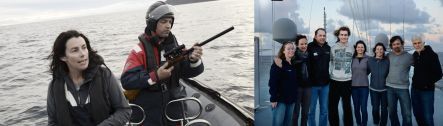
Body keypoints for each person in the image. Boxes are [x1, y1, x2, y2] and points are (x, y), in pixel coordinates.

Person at [120, 1, 204, 125]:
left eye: (170, 21)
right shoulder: (139, 51)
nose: (168, 26)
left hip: (174, 111)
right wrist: (156, 76)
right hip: (149, 114)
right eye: (163, 21)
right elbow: (127, 80)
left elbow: (190, 72)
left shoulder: (176, 45)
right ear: (152, 24)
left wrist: (194, 60)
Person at [46, 30, 131, 125]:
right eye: (75, 50)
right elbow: (52, 123)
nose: (82, 54)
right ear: (63, 57)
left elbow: (124, 111)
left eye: (84, 47)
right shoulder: (54, 87)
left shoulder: (105, 76)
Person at [411, 35, 442, 126]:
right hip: (415, 90)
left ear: (423, 43)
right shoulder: (415, 55)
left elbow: (439, 74)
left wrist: (426, 84)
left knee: (428, 116)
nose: (417, 45)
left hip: (427, 91)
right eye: (415, 43)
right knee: (417, 113)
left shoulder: (432, 55)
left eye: (419, 43)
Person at [328, 26, 353, 126]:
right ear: (338, 35)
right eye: (342, 35)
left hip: (347, 81)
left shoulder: (352, 48)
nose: (344, 36)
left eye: (346, 35)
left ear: (348, 36)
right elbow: (327, 61)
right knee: (333, 106)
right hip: (334, 81)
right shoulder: (333, 48)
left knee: (347, 106)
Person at [386, 36, 413, 126]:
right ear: (391, 46)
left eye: (398, 44)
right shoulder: (388, 55)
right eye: (394, 44)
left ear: (402, 44)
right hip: (389, 88)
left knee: (407, 114)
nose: (396, 46)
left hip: (403, 89)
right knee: (392, 113)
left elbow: (421, 67)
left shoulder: (409, 57)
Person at [269, 41, 298, 126]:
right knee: (278, 123)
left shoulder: (293, 65)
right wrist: (273, 98)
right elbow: (272, 82)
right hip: (280, 100)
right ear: (283, 51)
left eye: (292, 49)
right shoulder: (278, 64)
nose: (291, 50)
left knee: (287, 123)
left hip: (291, 99)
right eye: (288, 49)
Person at [307, 28, 330, 126]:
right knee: (311, 110)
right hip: (312, 85)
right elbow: (298, 55)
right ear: (315, 36)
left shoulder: (328, 48)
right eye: (320, 35)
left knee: (324, 110)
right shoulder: (309, 47)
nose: (322, 37)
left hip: (325, 85)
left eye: (324, 35)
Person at [368, 43, 389, 126]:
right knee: (375, 108)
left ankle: (383, 124)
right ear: (375, 50)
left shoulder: (387, 61)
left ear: (383, 50)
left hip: (385, 90)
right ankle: (376, 122)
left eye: (381, 49)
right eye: (378, 49)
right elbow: (365, 72)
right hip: (374, 89)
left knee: (384, 109)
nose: (379, 51)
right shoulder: (370, 60)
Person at [351, 40, 369, 126]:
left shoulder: (368, 58)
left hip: (364, 87)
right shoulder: (352, 58)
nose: (360, 48)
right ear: (356, 48)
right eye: (358, 47)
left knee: (364, 108)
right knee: (356, 108)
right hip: (353, 87)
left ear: (364, 48)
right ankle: (358, 123)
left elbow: (369, 70)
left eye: (362, 47)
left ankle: (364, 124)